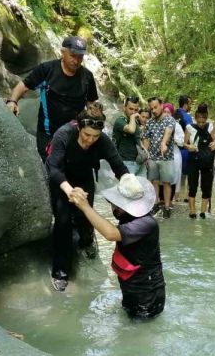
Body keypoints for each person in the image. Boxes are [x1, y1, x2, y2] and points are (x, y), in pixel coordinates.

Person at [46, 105, 129, 291]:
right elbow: (53, 168)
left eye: (95, 136)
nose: (90, 140)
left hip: (84, 177)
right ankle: (60, 271)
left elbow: (118, 165)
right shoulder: (63, 135)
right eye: (86, 135)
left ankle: (86, 240)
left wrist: (128, 181)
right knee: (63, 222)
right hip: (62, 179)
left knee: (87, 215)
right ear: (79, 128)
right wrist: (69, 191)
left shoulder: (102, 140)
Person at [69, 174, 165, 319]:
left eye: (116, 203)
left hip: (148, 296)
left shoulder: (146, 223)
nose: (113, 206)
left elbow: (110, 234)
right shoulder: (128, 218)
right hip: (132, 289)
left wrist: (85, 207)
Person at [6, 36, 98, 161]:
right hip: (48, 133)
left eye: (80, 57)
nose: (76, 61)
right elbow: (25, 85)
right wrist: (13, 101)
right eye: (72, 55)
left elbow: (91, 103)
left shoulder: (87, 77)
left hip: (74, 133)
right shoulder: (47, 69)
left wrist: (94, 124)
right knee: (49, 167)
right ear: (62, 52)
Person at [143, 98, 176, 218]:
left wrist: (164, 143)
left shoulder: (169, 120)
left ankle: (167, 207)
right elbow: (146, 138)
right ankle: (155, 204)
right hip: (152, 157)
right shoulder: (150, 122)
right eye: (151, 108)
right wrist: (146, 154)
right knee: (154, 181)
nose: (154, 110)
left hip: (166, 157)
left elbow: (168, 131)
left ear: (161, 105)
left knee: (166, 182)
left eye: (156, 107)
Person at [184, 104, 215, 218]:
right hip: (193, 159)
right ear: (196, 118)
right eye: (199, 122)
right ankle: (192, 211)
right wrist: (189, 147)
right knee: (192, 186)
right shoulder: (189, 127)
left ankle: (203, 212)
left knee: (206, 186)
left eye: (203, 122)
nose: (201, 124)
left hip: (207, 160)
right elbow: (184, 143)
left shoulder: (211, 126)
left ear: (206, 118)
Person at [113, 96, 147, 178]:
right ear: (124, 108)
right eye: (130, 109)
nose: (133, 112)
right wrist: (132, 117)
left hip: (139, 161)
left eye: (136, 110)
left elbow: (137, 137)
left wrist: (144, 150)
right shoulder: (120, 121)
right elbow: (131, 130)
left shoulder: (134, 121)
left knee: (143, 189)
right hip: (126, 161)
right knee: (130, 189)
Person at [174, 95, 193, 201]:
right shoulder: (187, 116)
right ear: (185, 104)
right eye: (190, 104)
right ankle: (186, 196)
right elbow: (189, 131)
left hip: (174, 149)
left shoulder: (173, 114)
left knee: (177, 173)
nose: (190, 106)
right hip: (184, 149)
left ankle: (176, 196)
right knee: (187, 173)